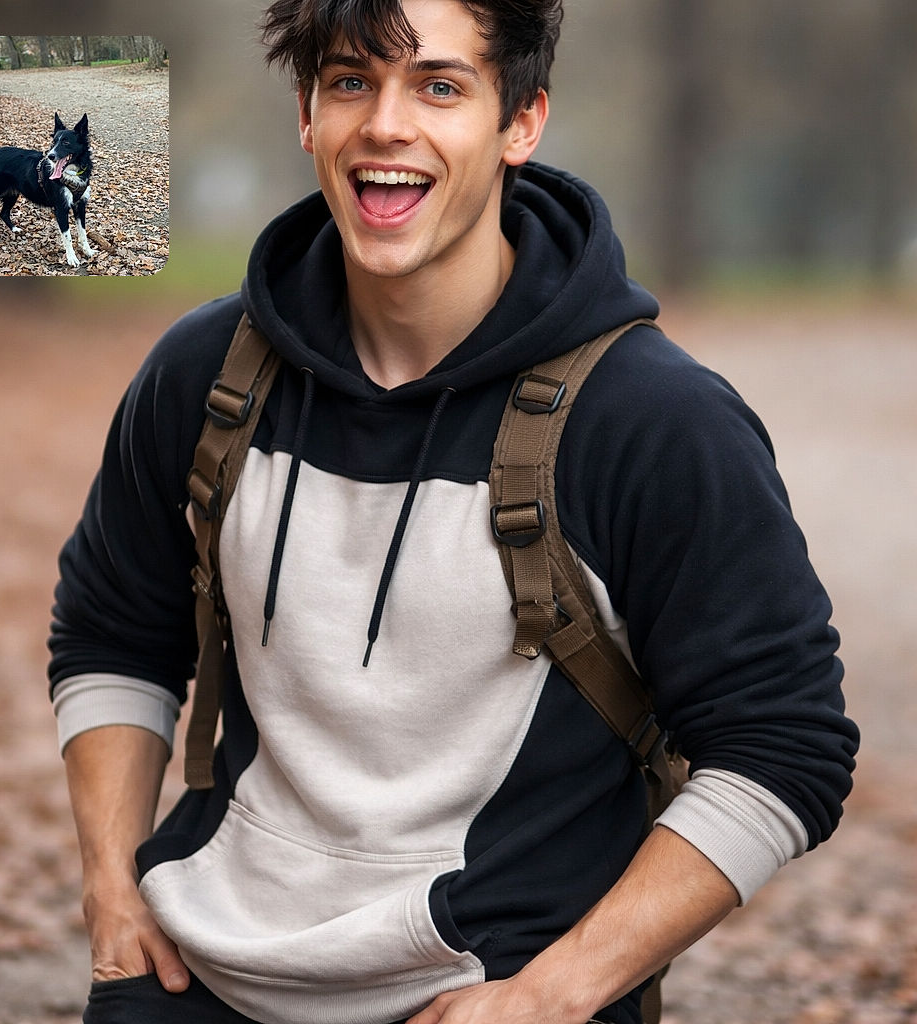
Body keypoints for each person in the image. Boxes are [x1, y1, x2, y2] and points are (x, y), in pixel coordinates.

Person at [48, 1, 859, 1022]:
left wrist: (556, 992)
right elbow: (113, 634)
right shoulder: (204, 374)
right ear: (306, 114)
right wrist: (111, 886)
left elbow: (783, 746)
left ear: (520, 122)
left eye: (439, 86)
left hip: (498, 987)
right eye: (351, 81)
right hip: (201, 965)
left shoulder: (654, 420)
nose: (386, 124)